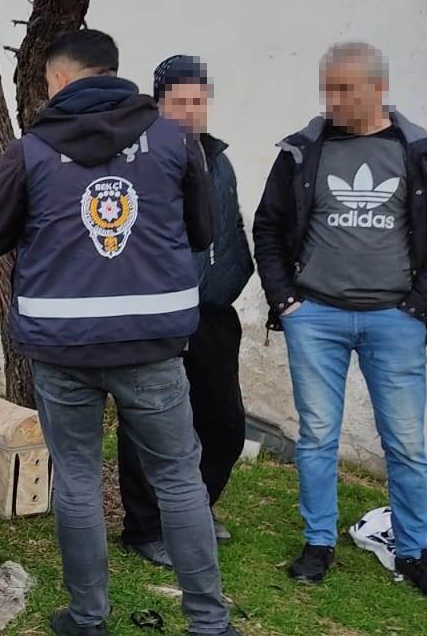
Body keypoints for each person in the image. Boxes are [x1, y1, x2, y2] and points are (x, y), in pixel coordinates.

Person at [0, 29, 240, 636]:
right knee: (178, 477)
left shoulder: (32, 150)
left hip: (65, 347)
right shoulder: (174, 140)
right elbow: (202, 231)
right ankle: (209, 623)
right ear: (115, 73)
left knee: (79, 481)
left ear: (59, 80)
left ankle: (88, 618)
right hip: (152, 346)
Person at [253, 42, 427, 601]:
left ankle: (414, 551)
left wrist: (421, 304)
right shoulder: (305, 151)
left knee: (404, 443)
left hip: (395, 320)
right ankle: (318, 542)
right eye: (328, 87)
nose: (333, 100)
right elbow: (268, 227)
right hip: (315, 317)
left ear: (378, 88)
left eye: (345, 89)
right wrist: (286, 302)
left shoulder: (419, 151)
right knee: (318, 437)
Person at [116, 55, 254, 568]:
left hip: (213, 314)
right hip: (154, 316)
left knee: (222, 424)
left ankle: (194, 509)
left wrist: (236, 276)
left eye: (200, 101)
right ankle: (144, 528)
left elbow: (228, 230)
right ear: (160, 103)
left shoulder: (218, 159)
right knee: (145, 429)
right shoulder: (139, 158)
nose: (193, 111)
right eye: (182, 102)